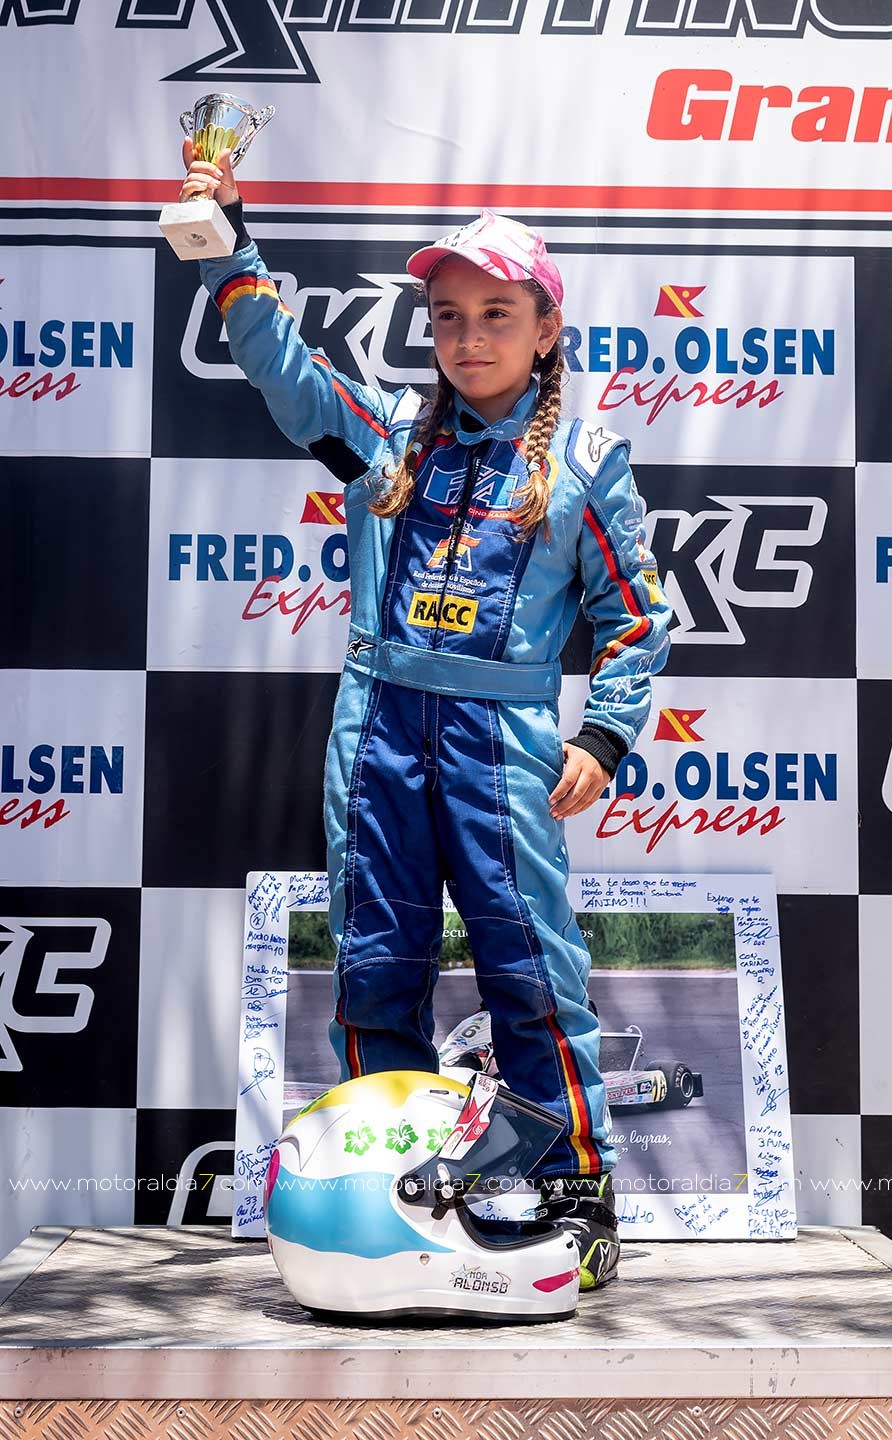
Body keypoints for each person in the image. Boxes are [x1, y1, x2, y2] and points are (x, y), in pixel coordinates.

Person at [179, 143, 672, 1292]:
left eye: (496, 314)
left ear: (545, 329)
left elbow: (636, 621)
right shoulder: (393, 433)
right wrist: (227, 246)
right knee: (375, 967)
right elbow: (288, 375)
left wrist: (603, 736)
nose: (468, 336)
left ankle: (574, 1196)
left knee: (530, 974)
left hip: (502, 747)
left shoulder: (587, 460)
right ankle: (387, 1201)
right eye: (447, 315)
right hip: (379, 733)